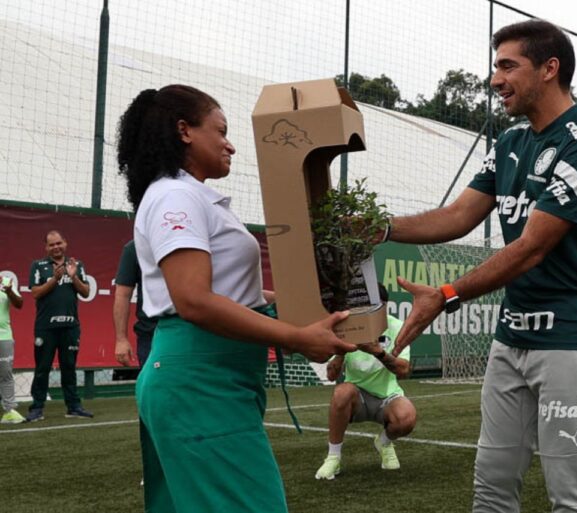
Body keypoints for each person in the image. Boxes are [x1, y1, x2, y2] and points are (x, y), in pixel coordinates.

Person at [385, 20, 577, 513]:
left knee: (570, 493)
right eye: (496, 66)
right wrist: (379, 228)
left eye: (508, 65)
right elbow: (456, 216)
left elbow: (533, 247)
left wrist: (447, 295)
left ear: (549, 69)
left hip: (573, 338)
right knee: (491, 485)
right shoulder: (511, 142)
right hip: (511, 338)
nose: (495, 79)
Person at [117, 84, 357, 513]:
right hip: (199, 383)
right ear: (184, 131)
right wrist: (296, 336)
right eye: (221, 131)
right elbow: (193, 300)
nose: (230, 145)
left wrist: (293, 302)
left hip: (207, 380)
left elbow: (222, 291)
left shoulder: (189, 195)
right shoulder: (177, 196)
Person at [315, 285, 417, 480]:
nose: (367, 311)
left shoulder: (397, 327)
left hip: (388, 396)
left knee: (407, 417)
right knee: (341, 392)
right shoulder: (348, 329)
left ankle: (384, 442)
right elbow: (330, 375)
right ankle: (333, 457)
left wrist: (377, 351)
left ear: (384, 307)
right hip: (357, 397)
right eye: (363, 306)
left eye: (374, 307)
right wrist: (341, 352)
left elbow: (403, 370)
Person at [26, 230, 93, 422]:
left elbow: (86, 292)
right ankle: (37, 408)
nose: (56, 247)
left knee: (69, 367)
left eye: (59, 243)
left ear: (65, 243)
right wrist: (55, 279)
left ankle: (73, 406)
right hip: (45, 327)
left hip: (71, 327)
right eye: (51, 245)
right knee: (42, 368)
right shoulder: (38, 266)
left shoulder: (76, 265)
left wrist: (73, 277)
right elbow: (36, 293)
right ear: (46, 247)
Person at [113, 239, 157, 371]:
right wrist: (121, 339)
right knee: (153, 389)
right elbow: (122, 295)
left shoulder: (186, 241)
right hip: (150, 335)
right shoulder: (134, 248)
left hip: (187, 331)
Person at [0, 274, 25, 424]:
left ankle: (9, 411)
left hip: (4, 337)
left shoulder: (7, 281)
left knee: (5, 374)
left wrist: (9, 290)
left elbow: (19, 303)